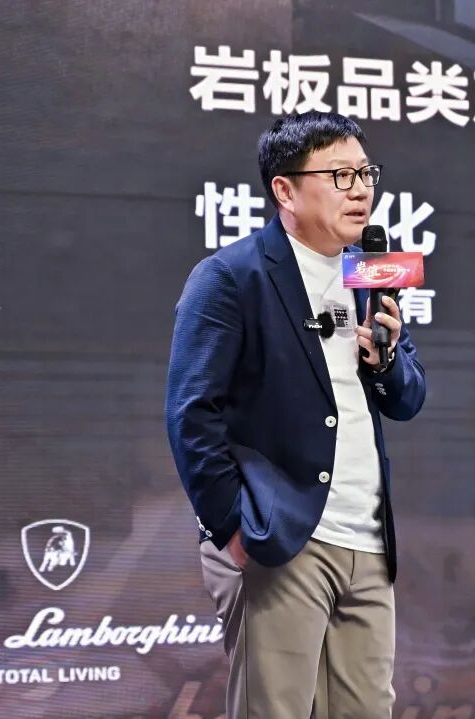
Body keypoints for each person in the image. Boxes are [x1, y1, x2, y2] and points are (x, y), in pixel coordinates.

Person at [165, 110, 426, 718]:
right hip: (279, 539)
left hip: (367, 540)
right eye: (339, 175)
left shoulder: (369, 276)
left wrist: (387, 360)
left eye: (366, 173)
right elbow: (191, 414)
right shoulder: (231, 277)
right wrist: (234, 530)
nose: (360, 190)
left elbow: (408, 399)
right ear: (285, 190)